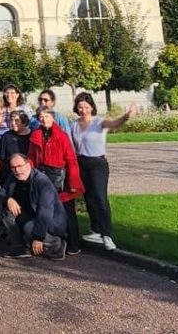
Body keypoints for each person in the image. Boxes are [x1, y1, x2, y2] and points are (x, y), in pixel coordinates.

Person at [71, 94, 137, 252]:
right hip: (81, 163)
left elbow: (115, 123)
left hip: (97, 163)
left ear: (92, 107)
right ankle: (96, 230)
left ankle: (107, 234)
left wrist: (127, 116)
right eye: (80, 107)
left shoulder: (99, 122)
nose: (83, 110)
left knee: (100, 197)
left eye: (86, 107)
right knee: (89, 198)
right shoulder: (74, 125)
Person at [28, 105, 84, 253]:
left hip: (60, 177)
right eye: (41, 117)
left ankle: (74, 244)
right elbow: (31, 158)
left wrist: (73, 182)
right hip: (42, 175)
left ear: (53, 118)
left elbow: (71, 159)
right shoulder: (35, 135)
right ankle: (51, 240)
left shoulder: (62, 136)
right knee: (43, 208)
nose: (44, 119)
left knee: (67, 211)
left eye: (46, 116)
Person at [0, 154, 68, 260]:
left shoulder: (42, 181)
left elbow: (45, 211)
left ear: (29, 164)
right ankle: (19, 248)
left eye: (20, 166)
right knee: (5, 209)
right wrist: (7, 199)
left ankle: (57, 245)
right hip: (29, 216)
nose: (17, 170)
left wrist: (38, 237)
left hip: (50, 222)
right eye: (13, 167)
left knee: (29, 228)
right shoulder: (13, 177)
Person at [0, 109, 33, 182]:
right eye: (11, 120)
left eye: (16, 120)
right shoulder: (7, 136)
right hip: (9, 177)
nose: (12, 123)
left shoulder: (33, 136)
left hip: (27, 176)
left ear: (24, 122)